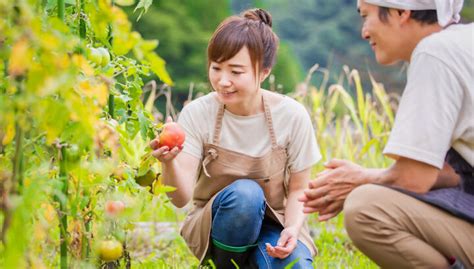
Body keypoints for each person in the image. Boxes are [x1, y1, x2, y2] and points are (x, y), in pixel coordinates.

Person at [299, 0, 473, 268]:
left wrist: (360, 180)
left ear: (401, 12)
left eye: (367, 16)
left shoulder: (435, 53)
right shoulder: (462, 43)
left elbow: (415, 178)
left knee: (366, 208)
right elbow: (453, 172)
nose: (364, 32)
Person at [150, 8, 321, 268]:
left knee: (295, 266)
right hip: (215, 225)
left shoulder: (292, 115)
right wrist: (168, 163)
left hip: (275, 221)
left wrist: (292, 229)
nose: (222, 81)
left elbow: (298, 189)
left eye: (236, 72)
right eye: (216, 68)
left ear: (263, 72)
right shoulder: (198, 113)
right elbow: (180, 198)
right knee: (246, 195)